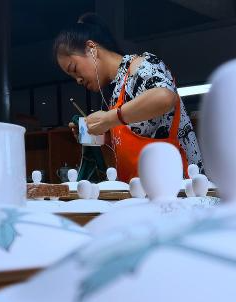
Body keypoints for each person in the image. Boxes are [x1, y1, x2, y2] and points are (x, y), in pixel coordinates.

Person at [54, 13, 203, 182]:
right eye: (72, 77)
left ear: (91, 48)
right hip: (143, 187)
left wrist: (109, 118)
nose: (78, 80)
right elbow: (133, 138)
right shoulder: (116, 92)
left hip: (178, 186)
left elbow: (164, 96)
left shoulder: (141, 65)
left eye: (74, 68)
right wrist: (95, 134)